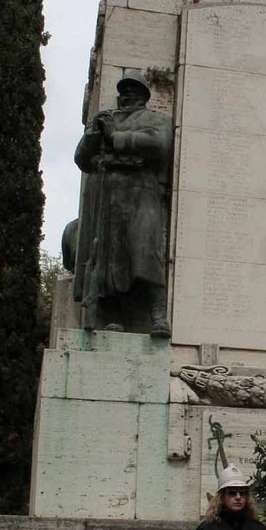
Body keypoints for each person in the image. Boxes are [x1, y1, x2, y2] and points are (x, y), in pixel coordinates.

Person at [73, 69, 173, 337]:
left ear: (143, 95)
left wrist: (114, 138)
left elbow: (159, 144)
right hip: (108, 196)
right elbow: (82, 158)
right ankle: (113, 315)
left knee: (146, 252)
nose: (126, 94)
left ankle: (158, 316)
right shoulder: (105, 119)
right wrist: (96, 133)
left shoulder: (156, 119)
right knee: (108, 258)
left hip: (143, 193)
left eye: (132, 90)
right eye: (123, 90)